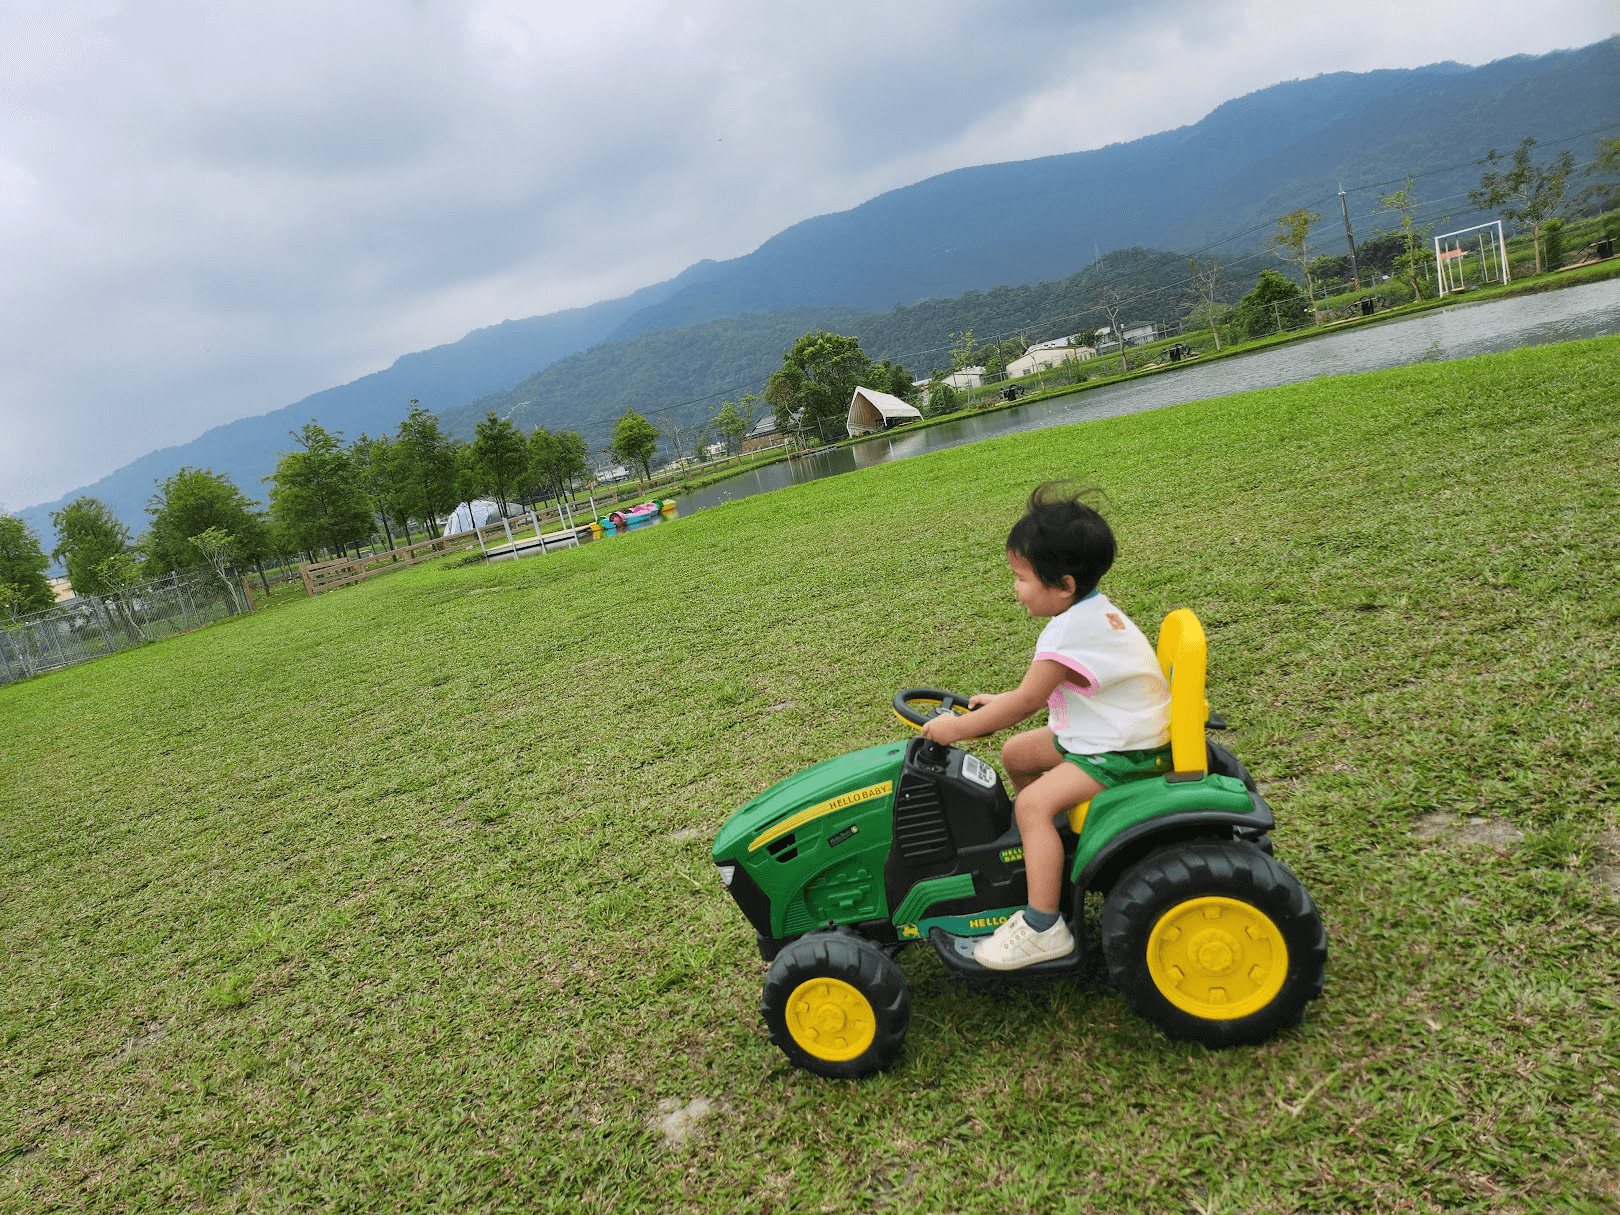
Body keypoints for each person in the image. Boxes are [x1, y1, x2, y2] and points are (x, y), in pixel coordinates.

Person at [920, 483, 1172, 970]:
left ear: (1063, 585)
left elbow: (1029, 700)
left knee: (1033, 804)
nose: (1014, 588)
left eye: (1020, 577)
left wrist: (957, 729)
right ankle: (1050, 851)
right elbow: (1043, 691)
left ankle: (1042, 925)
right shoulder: (1092, 611)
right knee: (1018, 754)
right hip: (1107, 732)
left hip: (1121, 751)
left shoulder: (1069, 629)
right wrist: (1001, 702)